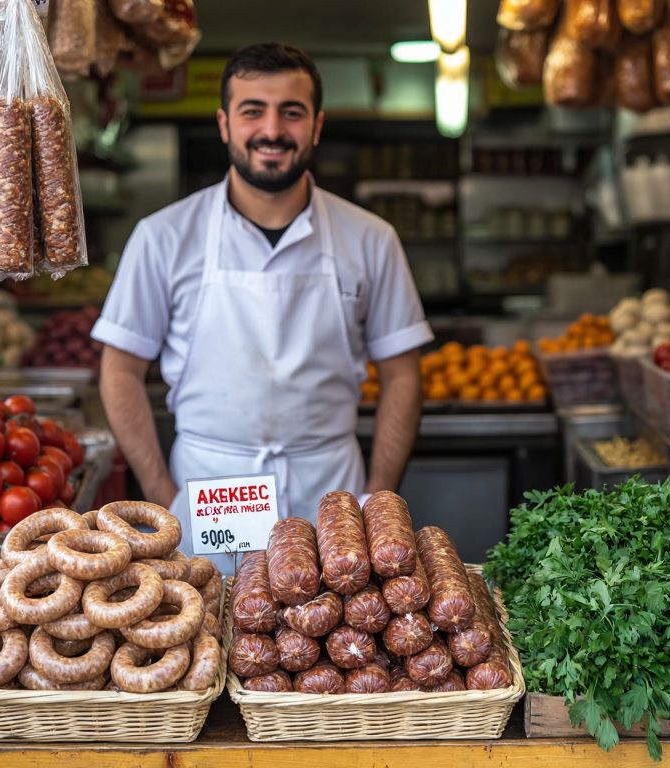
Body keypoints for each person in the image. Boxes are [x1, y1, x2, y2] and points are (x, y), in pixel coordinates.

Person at [93, 43, 432, 566]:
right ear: (225, 124)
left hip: (331, 497)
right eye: (253, 110)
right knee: (210, 633)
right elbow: (119, 370)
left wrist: (377, 500)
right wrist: (163, 496)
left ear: (316, 126)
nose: (272, 130)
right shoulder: (163, 236)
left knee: (328, 639)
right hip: (207, 493)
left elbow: (403, 374)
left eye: (291, 113)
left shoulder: (371, 238)